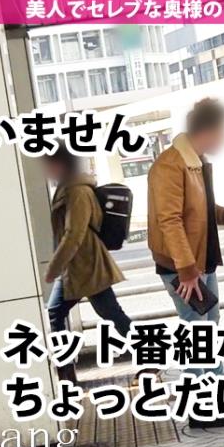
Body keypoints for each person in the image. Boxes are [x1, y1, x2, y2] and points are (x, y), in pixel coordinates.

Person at [147, 99, 224, 428]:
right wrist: (186, 270)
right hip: (182, 266)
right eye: (223, 132)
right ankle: (204, 407)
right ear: (209, 131)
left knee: (206, 330)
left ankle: (215, 403)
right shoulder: (171, 165)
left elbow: (198, 209)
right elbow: (169, 220)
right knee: (197, 333)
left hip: (200, 262)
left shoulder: (195, 162)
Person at [43, 142, 133, 381]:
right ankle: (66, 372)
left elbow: (74, 233)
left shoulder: (77, 191)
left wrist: (54, 267)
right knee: (111, 314)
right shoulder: (70, 187)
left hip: (87, 265)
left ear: (60, 164)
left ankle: (66, 373)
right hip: (80, 267)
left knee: (59, 312)